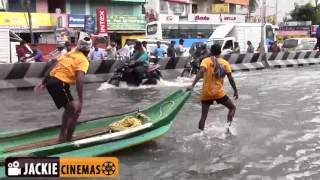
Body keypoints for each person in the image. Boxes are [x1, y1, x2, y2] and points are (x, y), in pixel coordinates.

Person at [34, 34, 92, 142]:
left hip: (51, 80)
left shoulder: (70, 53)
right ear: (89, 50)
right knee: (75, 111)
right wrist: (81, 101)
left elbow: (53, 65)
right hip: (59, 83)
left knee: (69, 109)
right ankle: (68, 140)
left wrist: (43, 82)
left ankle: (62, 136)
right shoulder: (83, 61)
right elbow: (79, 80)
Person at [187, 44, 238, 130]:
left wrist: (192, 86)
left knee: (203, 116)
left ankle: (200, 134)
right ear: (220, 52)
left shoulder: (206, 61)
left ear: (211, 51)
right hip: (218, 93)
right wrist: (235, 91)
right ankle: (228, 128)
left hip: (206, 93)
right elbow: (231, 78)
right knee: (232, 108)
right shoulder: (225, 63)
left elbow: (200, 73)